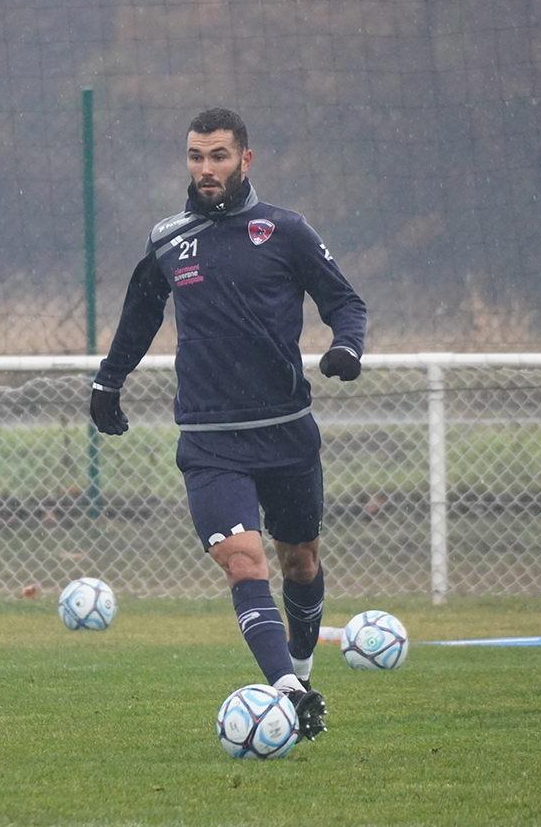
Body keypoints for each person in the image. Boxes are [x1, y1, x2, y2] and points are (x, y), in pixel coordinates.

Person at [89, 108, 366, 741]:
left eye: (217, 156)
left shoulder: (285, 231)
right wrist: (110, 379)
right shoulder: (168, 239)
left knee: (300, 561)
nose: (205, 169)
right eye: (194, 156)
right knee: (244, 562)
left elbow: (345, 301)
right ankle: (289, 691)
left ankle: (300, 665)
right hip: (211, 440)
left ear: (245, 159)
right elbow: (139, 314)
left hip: (287, 430)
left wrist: (346, 346)